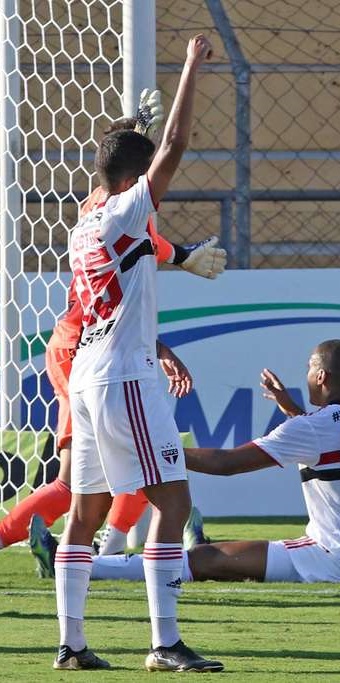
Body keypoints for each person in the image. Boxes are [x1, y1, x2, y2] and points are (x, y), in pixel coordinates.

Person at [53, 34, 223, 672]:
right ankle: (164, 642)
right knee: (173, 501)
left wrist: (131, 130)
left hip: (90, 372)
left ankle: (71, 645)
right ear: (132, 183)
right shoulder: (126, 211)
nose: (158, 189)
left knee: (86, 512)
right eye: (147, 179)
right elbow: (174, 148)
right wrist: (189, 68)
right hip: (125, 376)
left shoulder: (86, 219)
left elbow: (119, 165)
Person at [0, 93, 226, 563]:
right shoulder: (113, 209)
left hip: (88, 346)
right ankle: (90, 544)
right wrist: (183, 257)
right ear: (129, 174)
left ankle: (106, 546)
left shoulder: (102, 210)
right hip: (82, 348)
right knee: (94, 476)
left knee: (130, 463)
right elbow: (152, 214)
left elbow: (144, 246)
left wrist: (162, 340)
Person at [78, 340, 340, 586]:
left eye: (308, 368)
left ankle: (83, 565)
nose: (306, 375)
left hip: (332, 560)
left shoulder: (313, 428)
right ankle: (92, 562)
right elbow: (332, 438)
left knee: (203, 560)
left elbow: (226, 464)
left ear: (321, 376)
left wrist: (152, 451)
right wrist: (291, 409)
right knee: (210, 556)